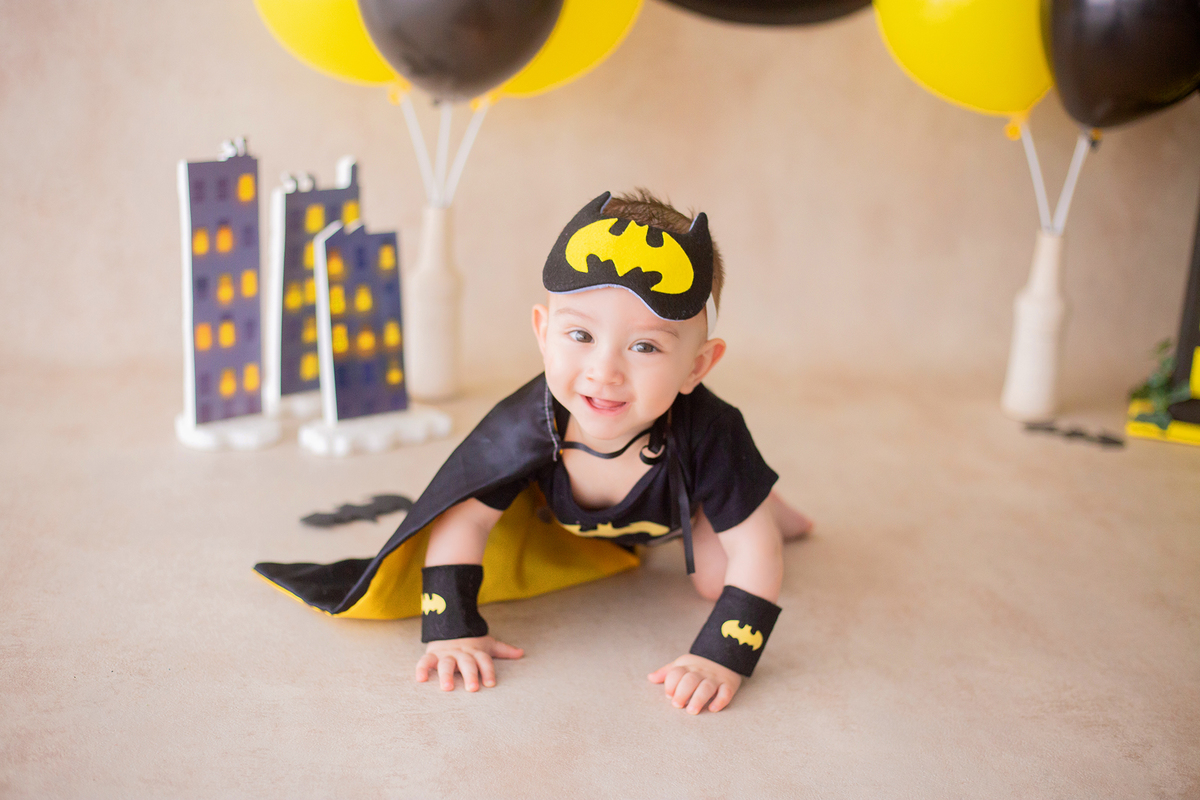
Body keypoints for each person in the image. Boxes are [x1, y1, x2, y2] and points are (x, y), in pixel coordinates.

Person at [255, 190, 810, 715]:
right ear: (544, 333)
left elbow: (758, 557)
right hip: (577, 523)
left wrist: (720, 660)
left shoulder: (712, 431)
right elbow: (463, 515)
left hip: (684, 508)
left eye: (644, 346)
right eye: (580, 336)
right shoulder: (526, 420)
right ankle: (750, 495)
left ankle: (759, 501)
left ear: (697, 366)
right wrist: (452, 629)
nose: (604, 371)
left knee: (720, 578)